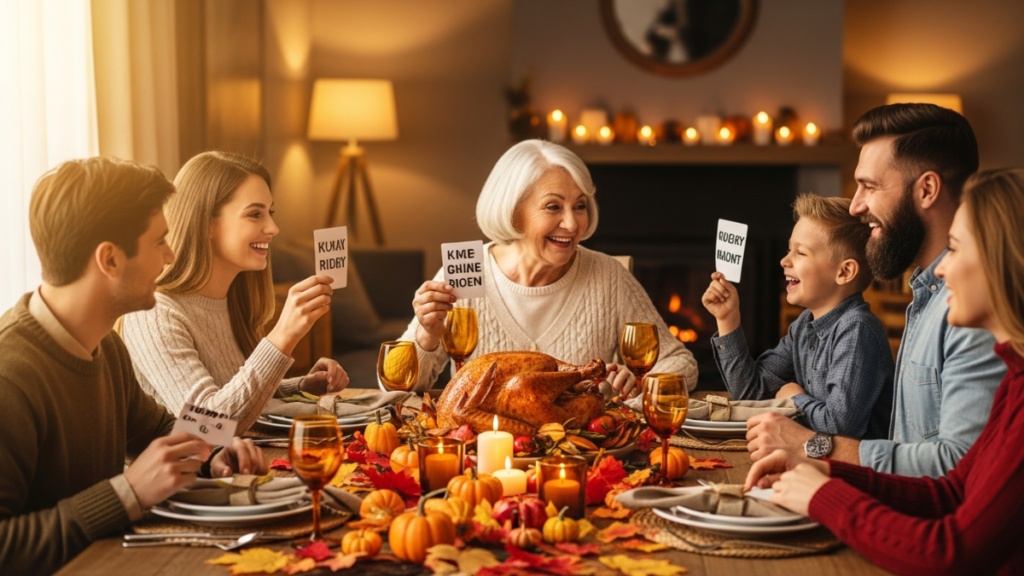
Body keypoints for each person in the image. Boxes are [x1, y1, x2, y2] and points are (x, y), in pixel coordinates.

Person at [744, 168, 1024, 575]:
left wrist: (824, 494)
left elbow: (953, 551)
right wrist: (830, 471)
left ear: (1005, 262)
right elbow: (951, 491)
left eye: (957, 249)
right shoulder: (1013, 382)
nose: (941, 272)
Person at [0, 157, 268, 576]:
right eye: (159, 241)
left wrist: (218, 445)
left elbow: (161, 426)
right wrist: (127, 492)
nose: (169, 255)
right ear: (109, 260)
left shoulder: (105, 344)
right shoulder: (9, 378)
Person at [745, 103, 1006, 477]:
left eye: (870, 186)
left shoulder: (972, 309)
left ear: (927, 189)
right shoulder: (926, 298)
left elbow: (959, 467)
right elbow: (906, 451)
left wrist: (810, 444)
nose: (855, 206)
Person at [397, 139, 698, 395]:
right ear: (513, 212)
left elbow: (680, 363)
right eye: (553, 207)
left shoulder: (608, 276)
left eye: (580, 206)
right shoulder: (465, 269)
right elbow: (395, 386)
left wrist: (640, 383)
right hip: (483, 455)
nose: (571, 223)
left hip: (583, 456)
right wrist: (427, 336)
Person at [122, 152, 349, 433]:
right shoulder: (154, 315)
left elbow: (231, 391)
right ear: (206, 224)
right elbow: (210, 427)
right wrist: (282, 337)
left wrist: (299, 386)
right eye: (255, 214)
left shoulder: (234, 302)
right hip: (187, 475)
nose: (273, 228)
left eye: (270, 212)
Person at [703, 194, 893, 439]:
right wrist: (728, 319)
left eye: (800, 253)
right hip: (813, 461)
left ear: (845, 271)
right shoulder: (804, 326)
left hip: (856, 473)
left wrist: (794, 399)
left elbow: (839, 428)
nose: (784, 260)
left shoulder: (857, 331)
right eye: (788, 249)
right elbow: (751, 395)